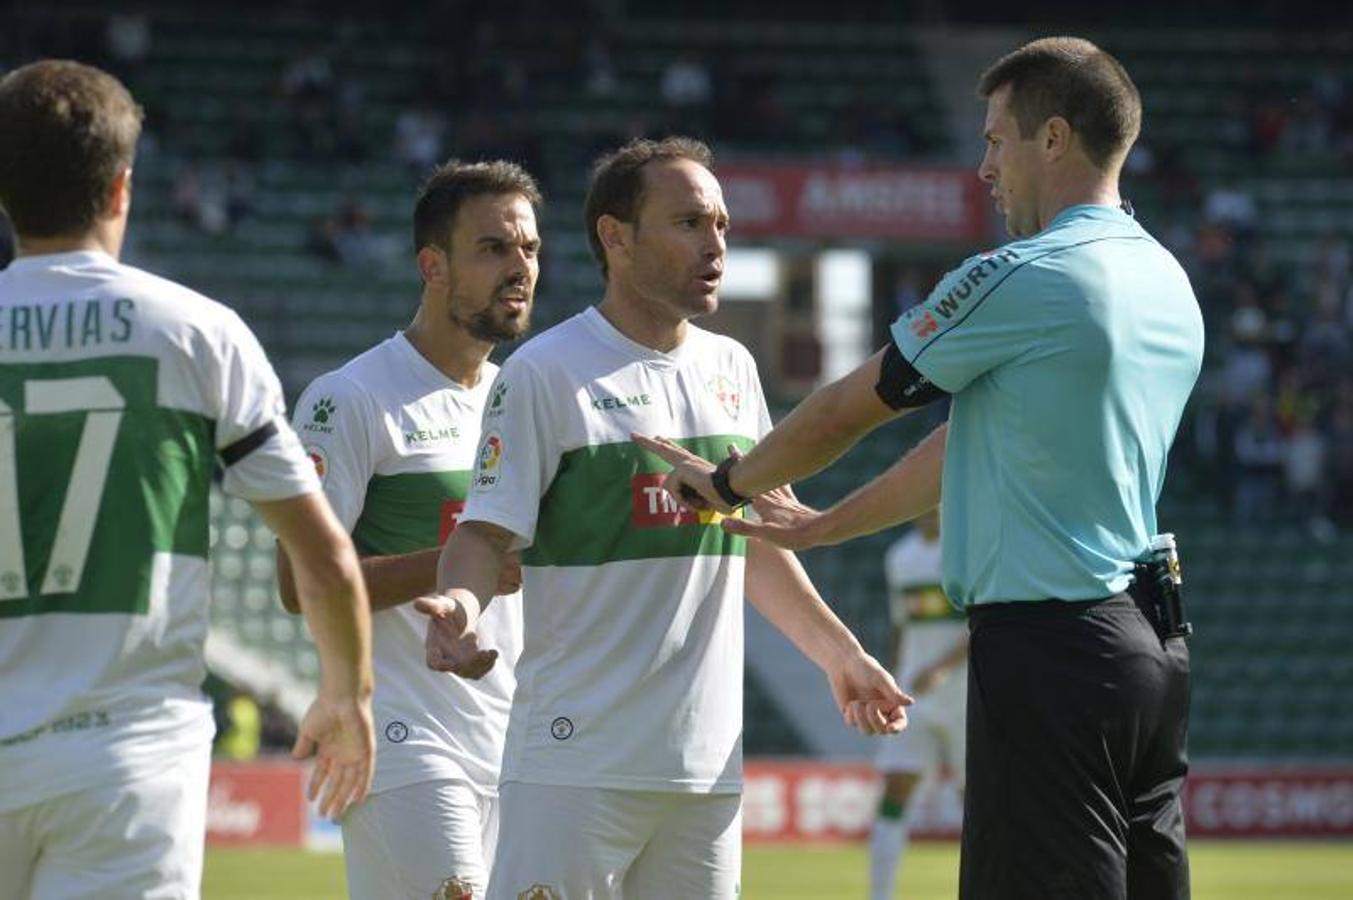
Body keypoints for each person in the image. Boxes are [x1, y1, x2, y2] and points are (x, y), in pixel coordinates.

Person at [640, 37, 1203, 900]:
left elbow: (846, 407)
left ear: (1051, 140)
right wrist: (823, 526)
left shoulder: (1020, 276)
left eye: (994, 140)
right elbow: (969, 445)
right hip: (1150, 646)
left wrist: (727, 485)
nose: (982, 165)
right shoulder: (1164, 278)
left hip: (1050, 642)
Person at [416, 136, 910, 899]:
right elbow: (484, 531)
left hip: (704, 770)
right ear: (615, 237)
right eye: (687, 223)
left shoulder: (731, 367)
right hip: (575, 763)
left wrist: (840, 654)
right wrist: (462, 605)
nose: (714, 243)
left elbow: (750, 541)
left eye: (719, 225)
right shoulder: (545, 372)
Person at [0, 60, 375, 900]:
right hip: (123, 756)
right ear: (122, 189)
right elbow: (323, 556)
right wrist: (345, 695)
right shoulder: (195, 332)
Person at [276, 159, 539, 899]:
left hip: (517, 743)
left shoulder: (524, 399)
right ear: (433, 265)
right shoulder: (351, 397)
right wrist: (456, 565)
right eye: (492, 248)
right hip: (401, 737)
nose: (518, 267)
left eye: (529, 249)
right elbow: (298, 584)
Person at [867, 510, 967, 900]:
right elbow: (900, 625)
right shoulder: (899, 556)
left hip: (964, 694)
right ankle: (880, 895)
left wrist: (943, 667)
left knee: (974, 796)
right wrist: (891, 677)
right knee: (896, 787)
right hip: (913, 693)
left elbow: (983, 620)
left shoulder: (965, 550)